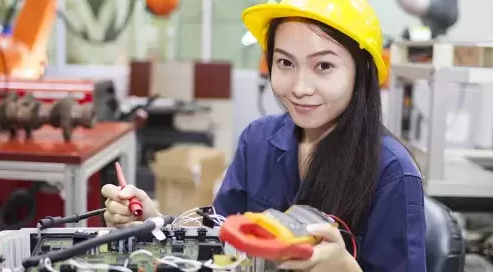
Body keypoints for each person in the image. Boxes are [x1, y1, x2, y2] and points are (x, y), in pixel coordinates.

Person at [101, 0, 427, 271]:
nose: (299, 87)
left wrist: (346, 267)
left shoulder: (393, 173)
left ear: (362, 72)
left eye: (323, 66)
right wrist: (155, 225)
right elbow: (221, 240)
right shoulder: (257, 141)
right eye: (285, 62)